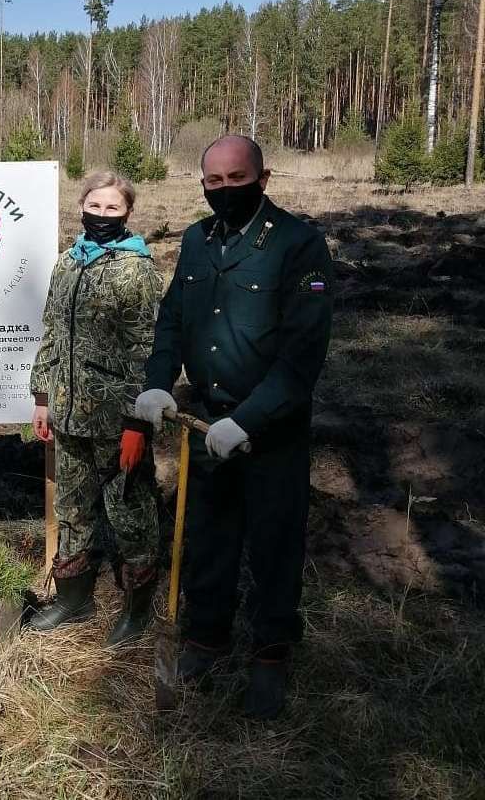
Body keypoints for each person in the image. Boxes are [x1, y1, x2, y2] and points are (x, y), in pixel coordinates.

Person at [135, 134, 334, 720]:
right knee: (210, 535)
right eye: (214, 181)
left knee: (274, 542)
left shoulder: (299, 245)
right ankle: (206, 638)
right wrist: (157, 379)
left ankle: (270, 654)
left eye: (236, 179)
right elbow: (173, 319)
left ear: (263, 178)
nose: (224, 190)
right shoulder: (198, 240)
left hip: (270, 428)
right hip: (205, 421)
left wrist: (247, 419)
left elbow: (302, 356)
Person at [28, 171, 165, 645]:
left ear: (128, 213)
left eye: (113, 208)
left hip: (114, 421)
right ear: (81, 206)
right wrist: (42, 397)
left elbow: (146, 348)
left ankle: (137, 606)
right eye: (95, 205)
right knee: (72, 507)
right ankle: (73, 597)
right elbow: (51, 330)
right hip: (67, 413)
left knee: (129, 512)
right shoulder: (69, 261)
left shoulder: (137, 269)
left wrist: (135, 420)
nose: (102, 215)